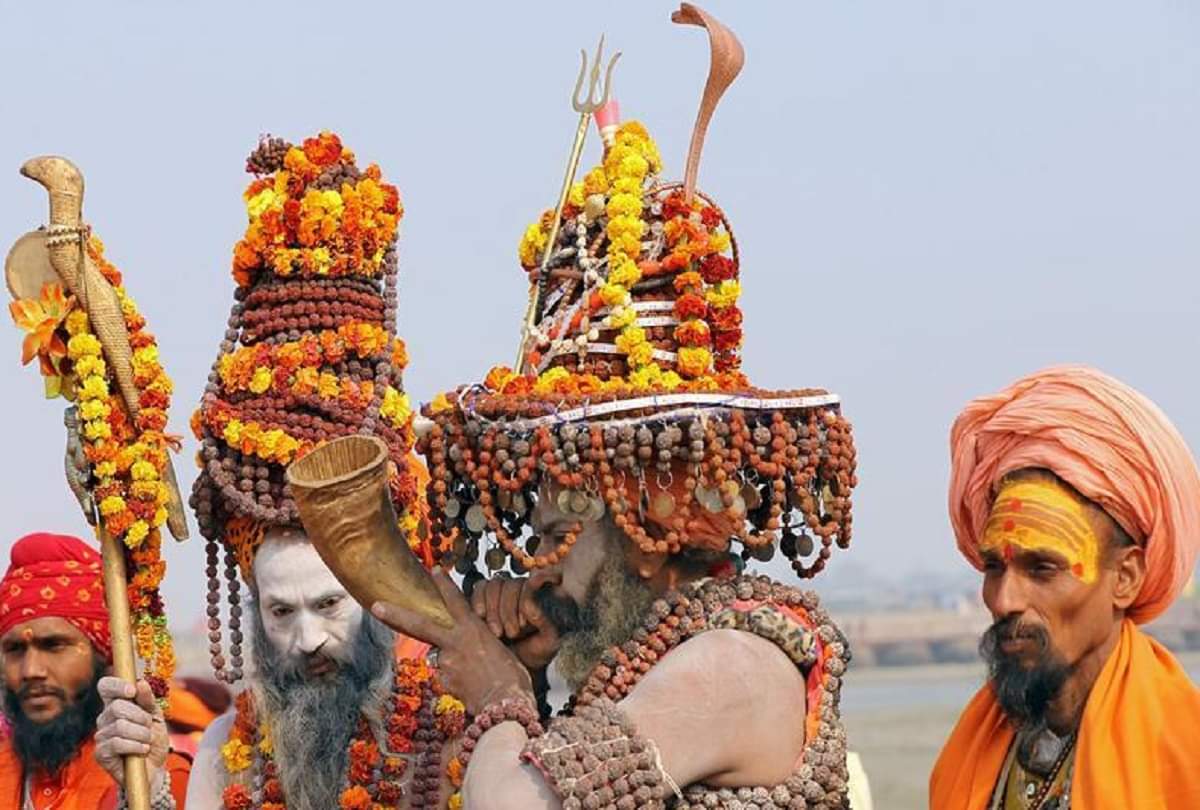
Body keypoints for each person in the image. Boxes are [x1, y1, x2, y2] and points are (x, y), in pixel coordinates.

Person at [372, 6, 864, 807]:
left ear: (651, 520)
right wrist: (531, 678)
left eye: (567, 519)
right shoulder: (662, 658)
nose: (539, 554)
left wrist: (496, 687)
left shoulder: (730, 662)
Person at [185, 132, 460, 810]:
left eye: (330, 604)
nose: (307, 640)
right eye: (281, 611)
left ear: (380, 595)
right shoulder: (225, 757)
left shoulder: (460, 741)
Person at [930, 366, 1200, 809]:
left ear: (1126, 579)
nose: (1003, 601)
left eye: (1042, 569)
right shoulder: (974, 750)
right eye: (994, 567)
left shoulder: (1184, 754)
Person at [0, 532, 190, 809]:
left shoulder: (158, 778)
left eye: (54, 646)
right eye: (15, 649)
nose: (31, 670)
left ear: (103, 654)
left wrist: (146, 793)